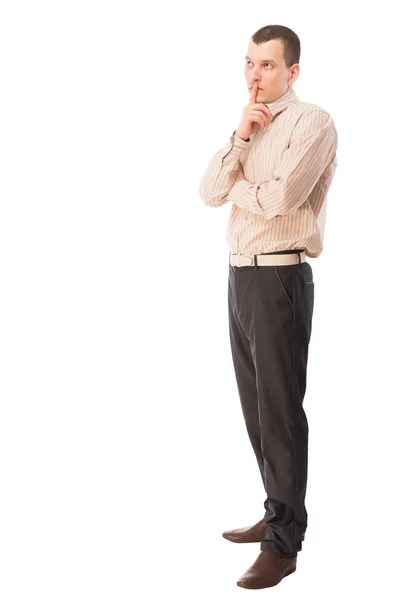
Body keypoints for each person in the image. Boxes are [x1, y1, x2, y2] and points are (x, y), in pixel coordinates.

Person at [199, 24, 338, 589]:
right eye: (250, 64)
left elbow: (284, 198)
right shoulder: (249, 125)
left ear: (293, 72)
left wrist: (237, 188)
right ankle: (275, 509)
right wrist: (238, 140)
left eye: (268, 66)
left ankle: (285, 543)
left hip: (281, 277)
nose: (255, 76)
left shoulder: (314, 123)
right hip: (240, 277)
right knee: (256, 409)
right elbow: (207, 190)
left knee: (280, 412)